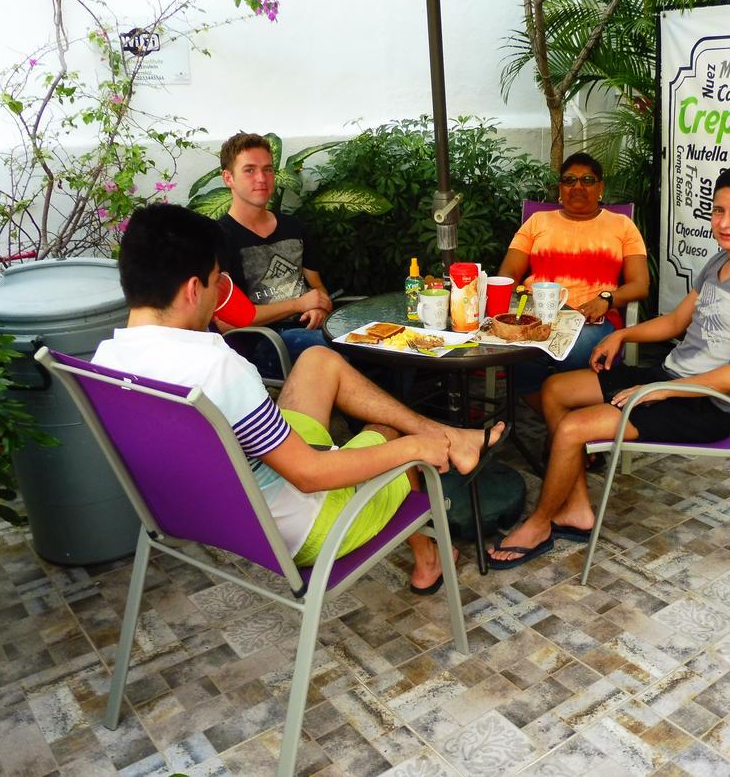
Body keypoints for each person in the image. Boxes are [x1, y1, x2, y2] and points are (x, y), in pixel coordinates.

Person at [93, 203, 504, 593]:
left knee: (317, 360)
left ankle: (450, 436)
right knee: (390, 434)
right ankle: (430, 554)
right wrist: (418, 446)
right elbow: (310, 474)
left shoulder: (102, 362)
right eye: (219, 280)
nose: (221, 291)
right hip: (299, 526)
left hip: (211, 515)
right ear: (192, 289)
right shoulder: (215, 368)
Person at [487, 163, 730, 568]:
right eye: (718, 211)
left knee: (572, 428)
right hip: (672, 377)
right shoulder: (722, 261)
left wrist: (659, 391)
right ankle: (577, 507)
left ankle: (540, 523)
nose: (724, 223)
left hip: (708, 404)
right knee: (555, 390)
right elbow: (674, 322)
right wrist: (621, 335)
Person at [497, 152, 649, 405]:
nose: (577, 186)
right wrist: (508, 308)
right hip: (537, 310)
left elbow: (639, 284)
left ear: (600, 188)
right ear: (560, 188)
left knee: (580, 348)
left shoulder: (622, 225)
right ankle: (559, 423)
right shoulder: (538, 222)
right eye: (569, 180)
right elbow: (509, 273)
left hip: (591, 317)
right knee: (518, 348)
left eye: (587, 180)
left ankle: (564, 421)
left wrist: (607, 298)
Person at [216, 132, 332, 377]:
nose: (262, 178)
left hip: (311, 329)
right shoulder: (218, 238)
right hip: (264, 342)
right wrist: (299, 304)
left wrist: (319, 307)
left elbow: (318, 289)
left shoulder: (293, 227)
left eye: (268, 169)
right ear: (228, 178)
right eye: (249, 170)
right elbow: (227, 323)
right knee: (340, 355)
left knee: (378, 348)